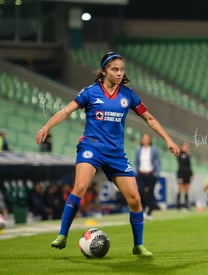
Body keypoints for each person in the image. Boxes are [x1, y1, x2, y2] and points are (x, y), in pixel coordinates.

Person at [35, 51, 179, 257]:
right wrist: (46, 126)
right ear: (103, 71)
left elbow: (149, 118)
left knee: (135, 200)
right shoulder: (90, 92)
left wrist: (168, 139)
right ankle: (62, 235)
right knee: (80, 186)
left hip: (116, 154)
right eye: (115, 69)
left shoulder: (128, 95)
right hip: (91, 148)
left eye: (122, 69)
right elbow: (66, 111)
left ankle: (138, 245)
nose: (120, 73)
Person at [135, 133, 161, 221]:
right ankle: (143, 209)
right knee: (141, 192)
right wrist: (137, 171)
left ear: (150, 140)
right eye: (144, 138)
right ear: (141, 140)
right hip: (141, 174)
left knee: (150, 193)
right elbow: (137, 162)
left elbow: (157, 162)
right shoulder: (138, 149)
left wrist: (156, 173)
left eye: (147, 138)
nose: (145, 140)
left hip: (151, 174)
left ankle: (149, 212)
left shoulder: (154, 149)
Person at [176, 142, 193, 210]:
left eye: (187, 147)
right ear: (182, 147)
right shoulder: (179, 154)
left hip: (187, 174)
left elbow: (189, 165)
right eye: (185, 146)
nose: (186, 148)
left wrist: (191, 174)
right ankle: (178, 204)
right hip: (180, 174)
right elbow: (180, 161)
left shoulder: (188, 155)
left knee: (187, 189)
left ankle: (186, 204)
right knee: (180, 189)